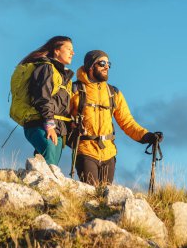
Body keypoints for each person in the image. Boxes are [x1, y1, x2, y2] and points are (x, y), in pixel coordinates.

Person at [70, 50, 163, 186]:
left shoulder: (113, 93)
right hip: (85, 151)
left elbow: (127, 122)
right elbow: (63, 118)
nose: (106, 67)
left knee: (105, 198)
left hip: (109, 153)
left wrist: (147, 136)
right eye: (102, 63)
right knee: (90, 193)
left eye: (108, 64)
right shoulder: (75, 90)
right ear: (90, 66)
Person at [19, 36, 74, 165]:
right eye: (69, 49)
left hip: (58, 128)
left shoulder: (65, 77)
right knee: (48, 164)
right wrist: (49, 125)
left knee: (49, 166)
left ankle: (33, 184)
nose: (73, 53)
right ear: (57, 51)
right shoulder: (46, 68)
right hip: (41, 123)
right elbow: (42, 97)